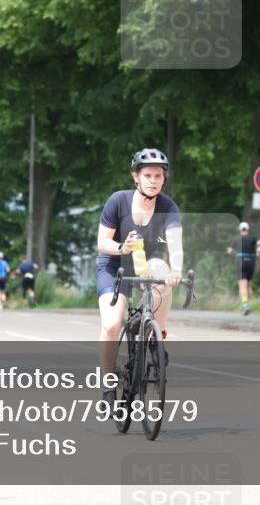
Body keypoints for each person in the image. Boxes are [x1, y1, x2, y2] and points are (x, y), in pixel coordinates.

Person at [96, 148, 183, 404]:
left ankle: (158, 336)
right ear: (136, 177)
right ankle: (109, 386)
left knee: (164, 273)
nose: (153, 181)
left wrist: (177, 270)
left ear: (164, 179)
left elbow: (175, 242)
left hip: (148, 261)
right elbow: (103, 241)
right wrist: (121, 247)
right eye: (148, 175)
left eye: (158, 175)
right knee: (111, 325)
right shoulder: (118, 201)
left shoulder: (168, 206)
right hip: (114, 264)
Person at [227, 221, 258, 315]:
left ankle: (245, 305)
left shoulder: (237, 239)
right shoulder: (253, 238)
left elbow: (229, 251)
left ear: (240, 230)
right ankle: (251, 304)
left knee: (242, 285)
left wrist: (235, 253)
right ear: (247, 230)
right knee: (249, 285)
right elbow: (259, 247)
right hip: (251, 262)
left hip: (241, 262)